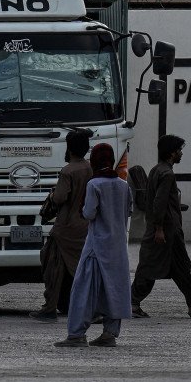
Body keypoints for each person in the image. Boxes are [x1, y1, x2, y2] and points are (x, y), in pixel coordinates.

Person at [131, 134, 191, 319]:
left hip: (163, 229)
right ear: (171, 153)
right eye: (179, 150)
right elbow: (159, 202)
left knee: (170, 267)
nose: (181, 154)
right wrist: (160, 229)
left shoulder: (156, 170)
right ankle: (133, 303)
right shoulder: (167, 174)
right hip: (167, 231)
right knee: (168, 267)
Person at [56, 142, 132, 348]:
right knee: (114, 290)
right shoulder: (123, 185)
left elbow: (89, 213)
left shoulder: (94, 184)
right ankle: (110, 333)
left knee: (83, 291)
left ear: (95, 161)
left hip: (96, 246)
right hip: (118, 247)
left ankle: (76, 334)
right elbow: (128, 211)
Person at [32, 128, 94, 321]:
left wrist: (51, 194)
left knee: (53, 267)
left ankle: (49, 307)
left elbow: (59, 198)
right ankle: (87, 306)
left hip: (65, 227)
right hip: (85, 225)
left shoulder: (68, 170)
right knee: (81, 269)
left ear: (70, 148)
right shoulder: (90, 167)